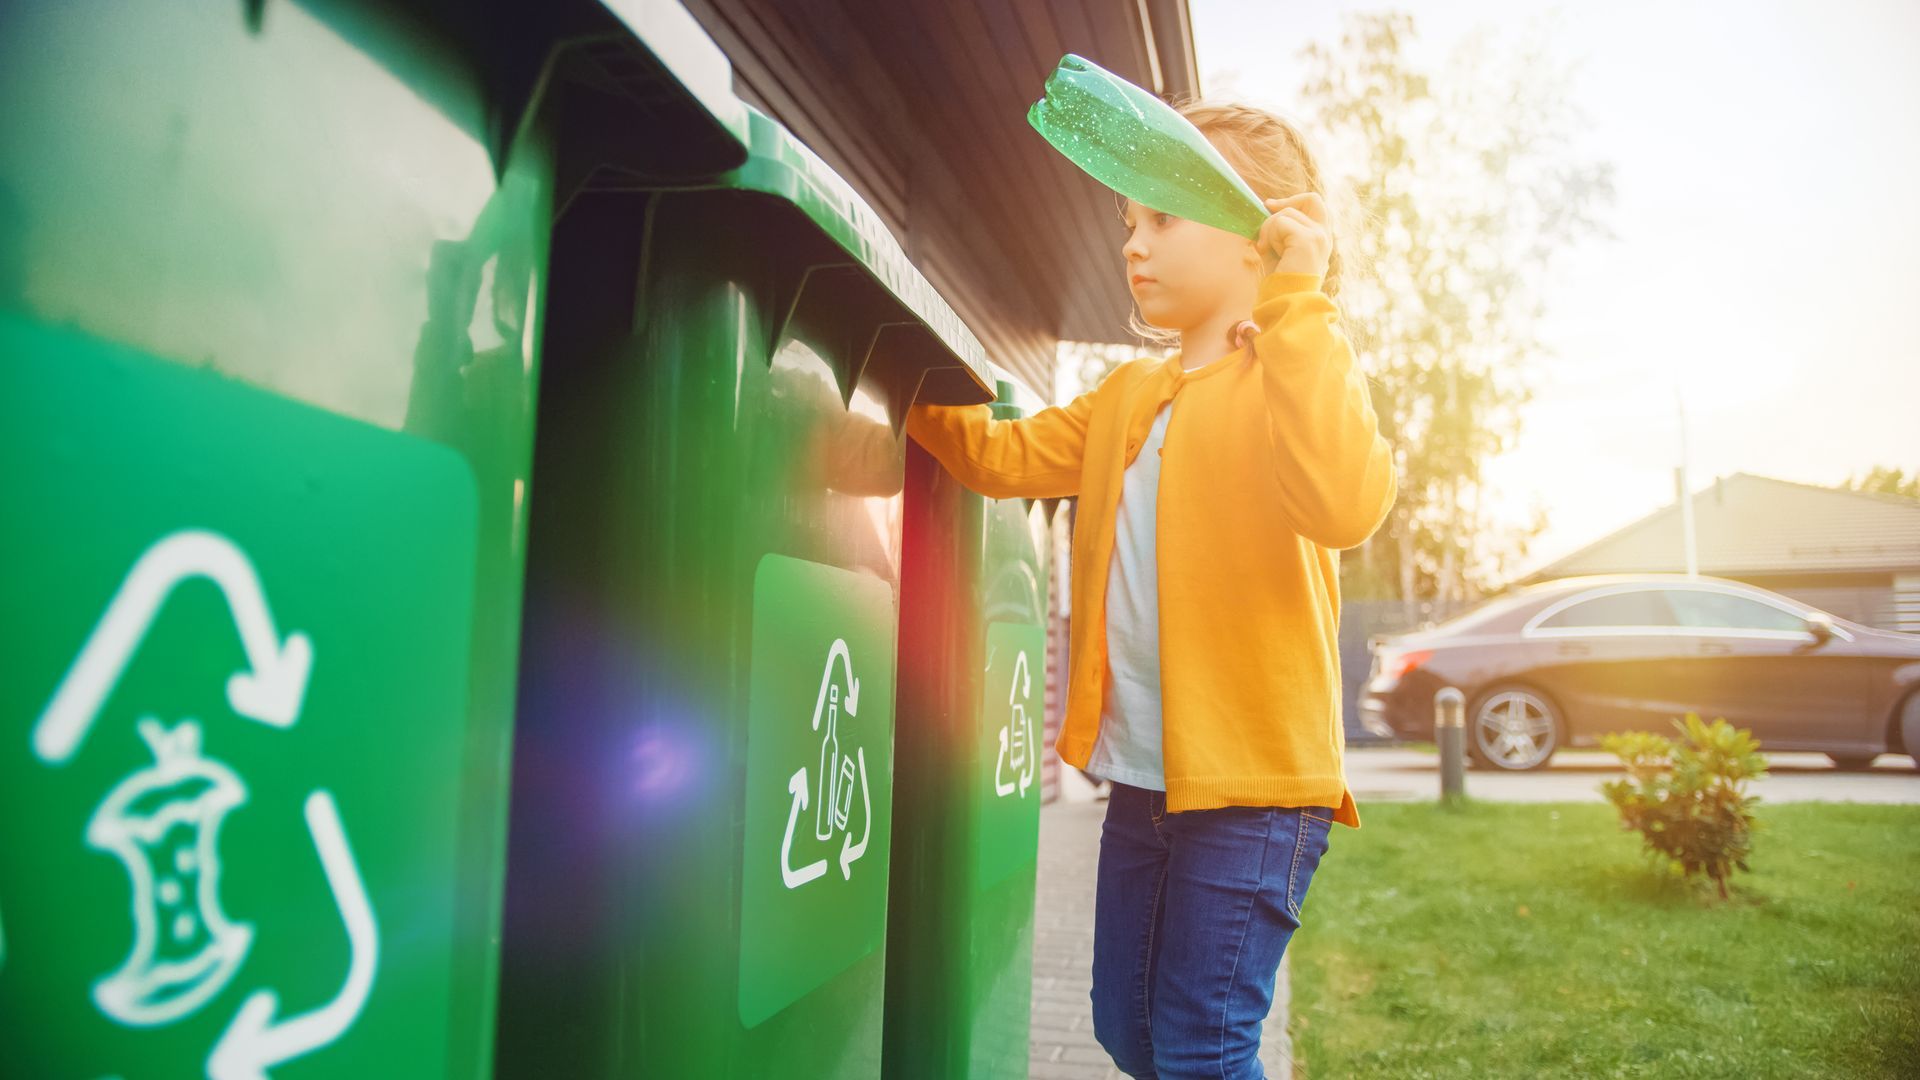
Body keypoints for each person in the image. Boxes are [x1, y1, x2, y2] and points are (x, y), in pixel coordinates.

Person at [905, 100, 1396, 1078]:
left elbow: (1346, 502)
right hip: (1145, 781)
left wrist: (1300, 301)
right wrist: (892, 376)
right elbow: (1004, 456)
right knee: (1130, 1030)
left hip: (1256, 789)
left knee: (1203, 1051)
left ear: (1267, 228)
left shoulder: (1292, 372)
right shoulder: (1131, 395)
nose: (1135, 244)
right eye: (1129, 224)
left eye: (1164, 219)